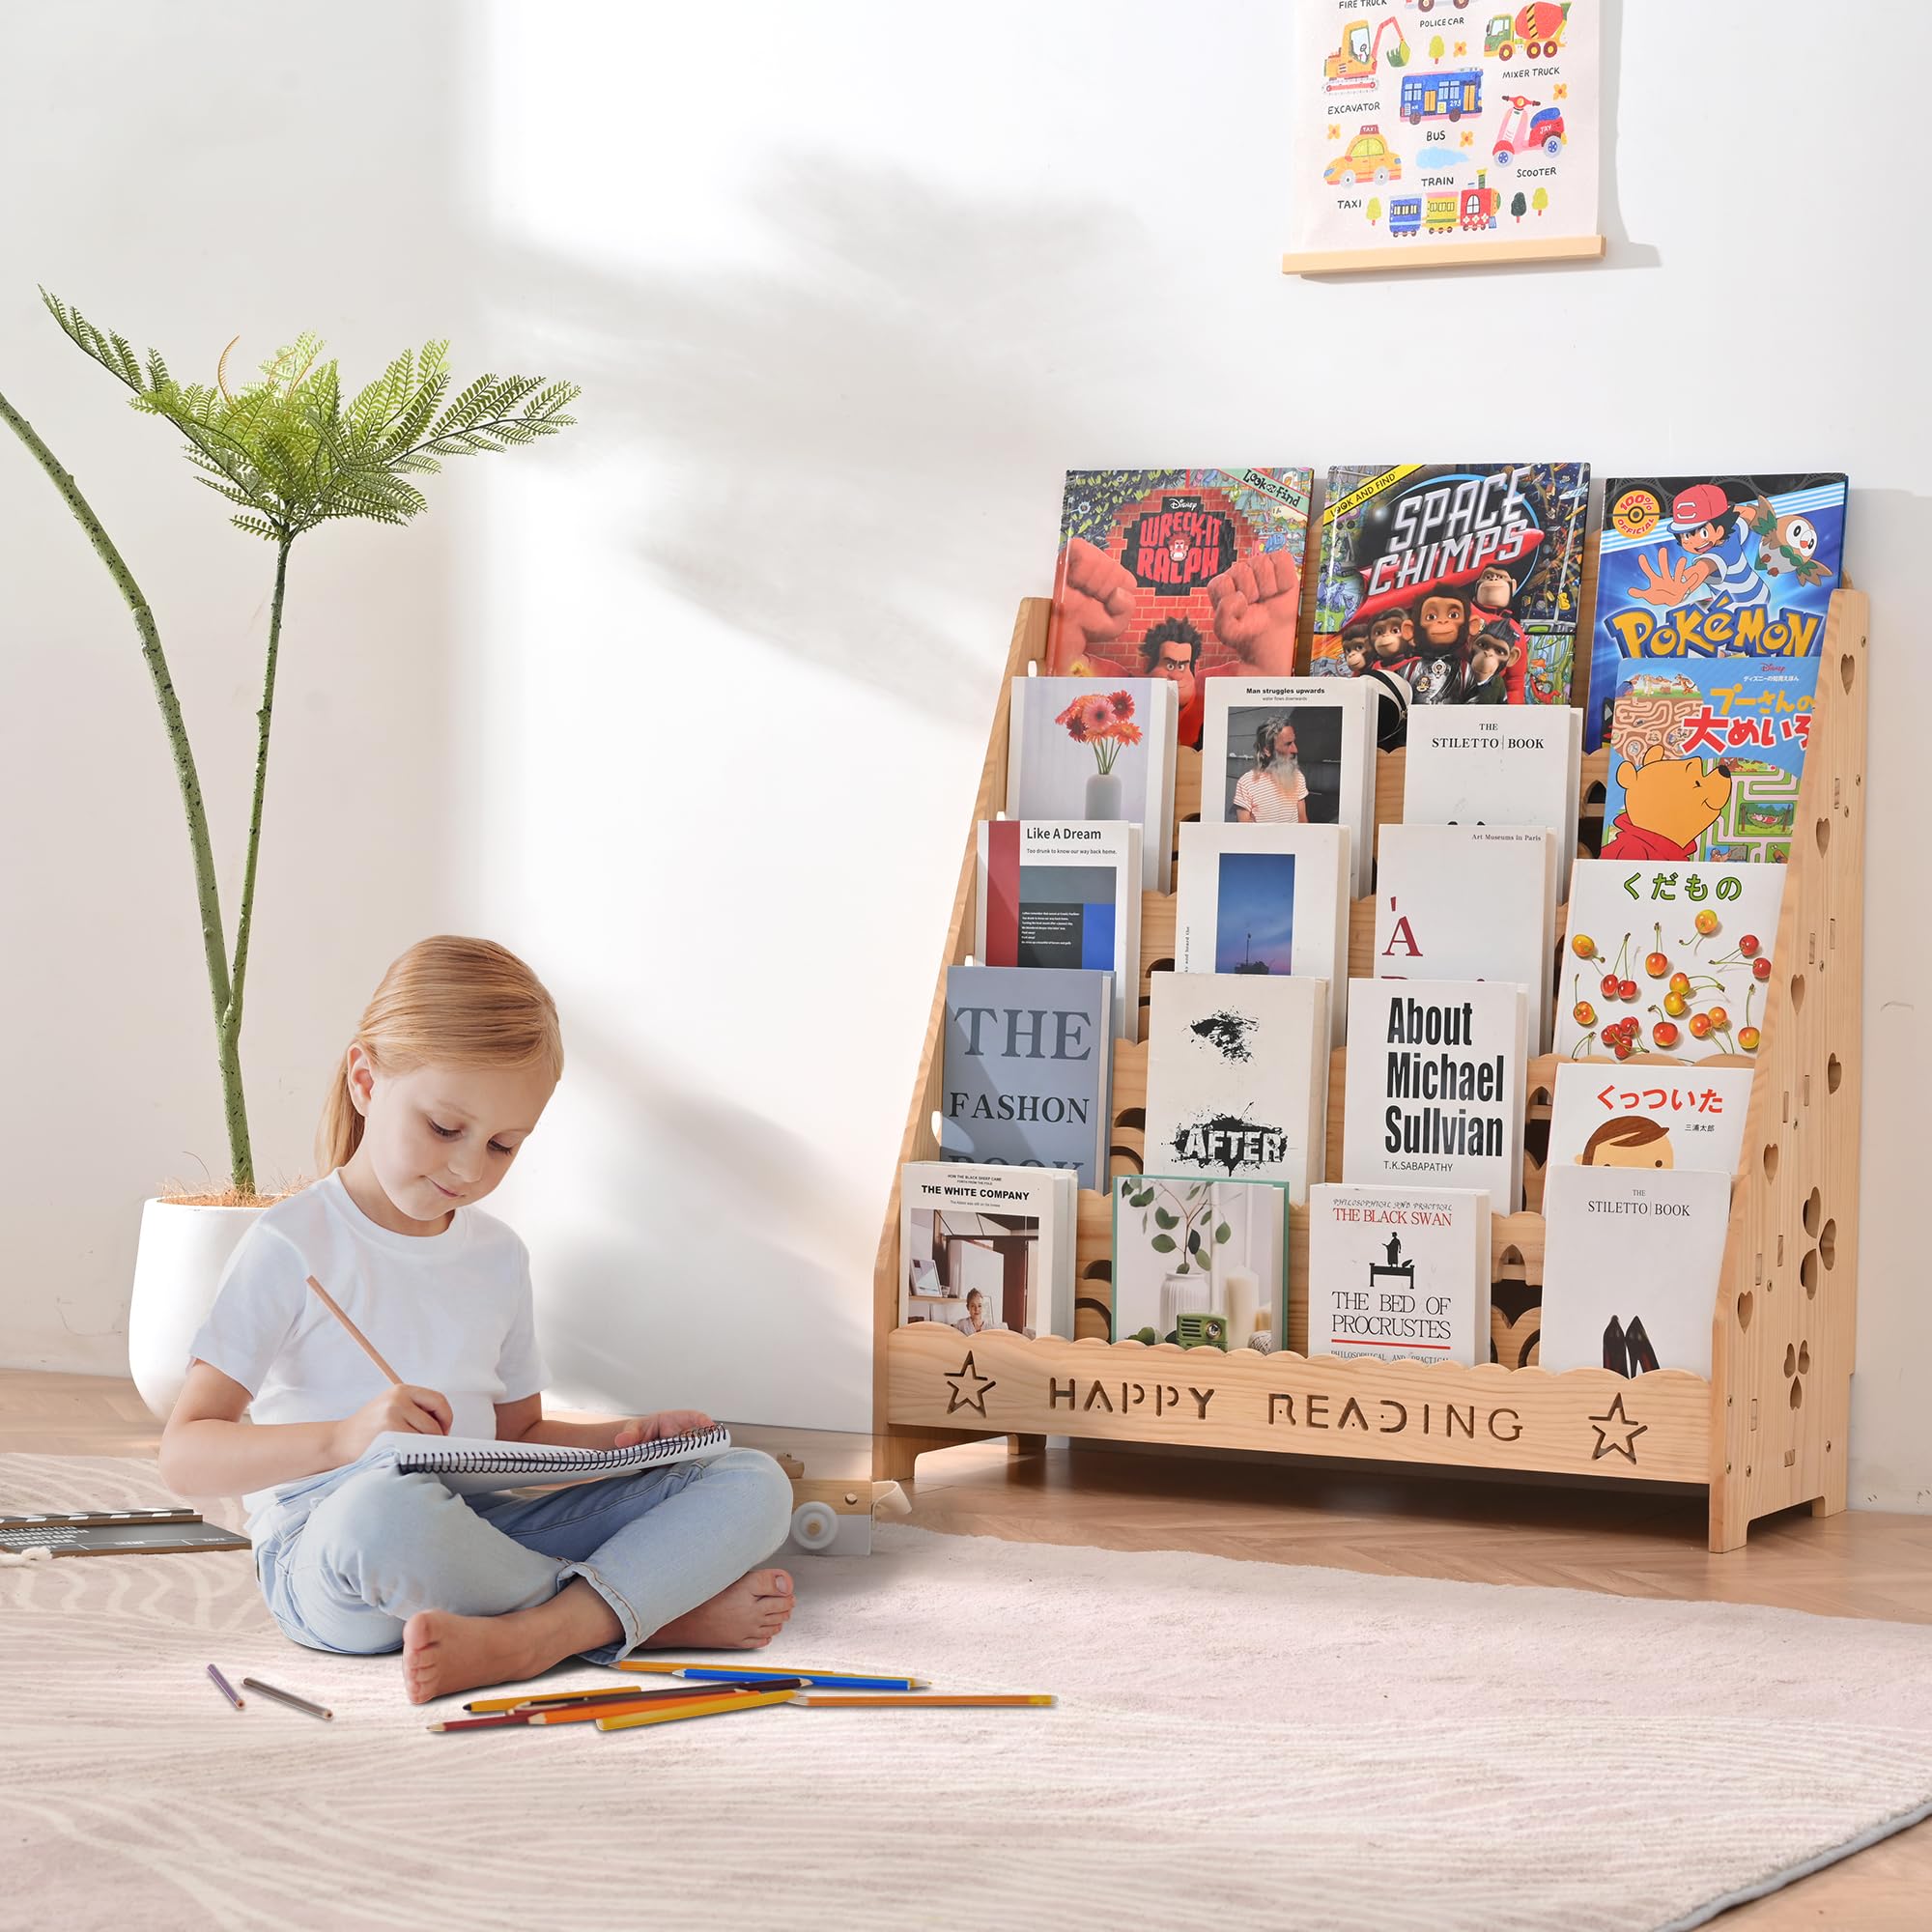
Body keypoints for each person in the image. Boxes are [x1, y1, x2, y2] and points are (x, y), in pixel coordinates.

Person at [157, 935, 796, 1705]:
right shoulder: (291, 1244)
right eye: (444, 1129)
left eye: (502, 1146)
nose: (468, 1170)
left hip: (480, 1532)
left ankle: (533, 1633)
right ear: (366, 1080)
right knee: (380, 1512)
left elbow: (517, 1436)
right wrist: (344, 1440)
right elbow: (186, 1455)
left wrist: (626, 1440)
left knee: (749, 1478)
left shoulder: (497, 1256)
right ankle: (639, 1615)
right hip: (330, 1552)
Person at [1140, 616, 1206, 750]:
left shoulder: (1206, 712)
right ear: (1147, 665)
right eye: (1169, 666)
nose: (1176, 676)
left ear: (1195, 668)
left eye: (1182, 667)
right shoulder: (1134, 707)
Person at [1233, 715, 1309, 823]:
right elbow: (1245, 831)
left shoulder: (1297, 777)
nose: (1295, 750)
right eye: (1288, 744)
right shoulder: (1246, 783)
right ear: (1267, 750)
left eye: (1294, 742)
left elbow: (1302, 820)